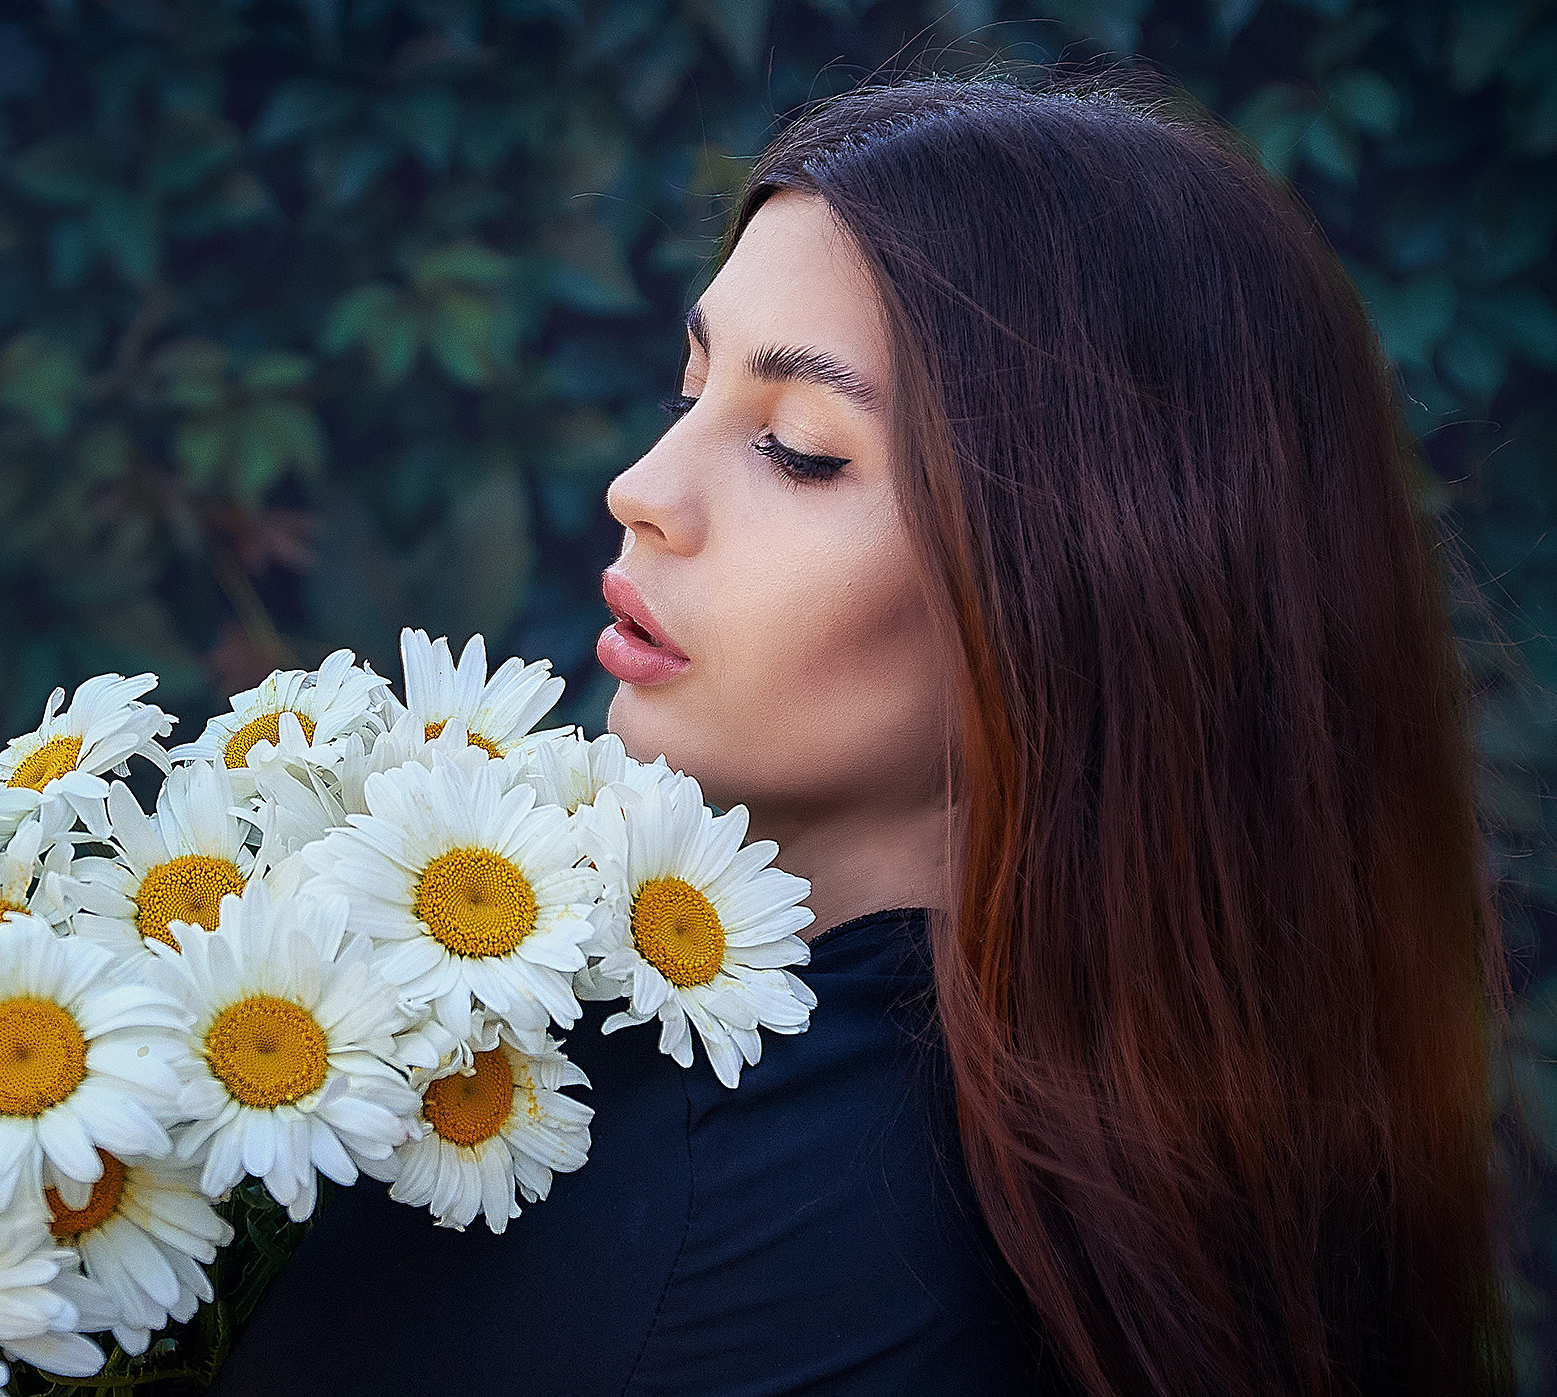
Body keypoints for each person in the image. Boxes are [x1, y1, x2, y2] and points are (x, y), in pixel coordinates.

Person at [209, 74, 1516, 1397]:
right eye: (691, 388)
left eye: (796, 449)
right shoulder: (1175, 1156)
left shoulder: (753, 1241)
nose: (640, 489)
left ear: (1094, 583)